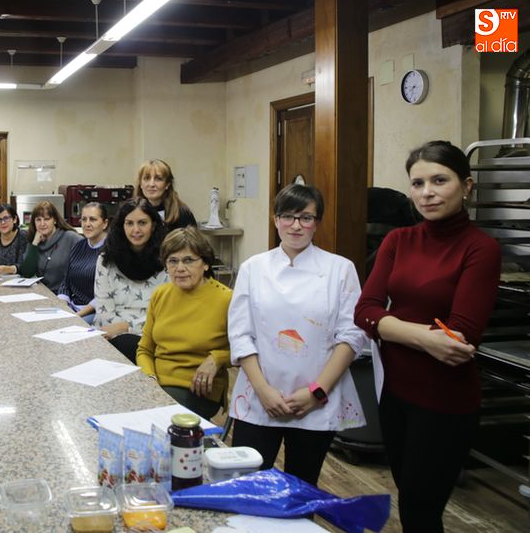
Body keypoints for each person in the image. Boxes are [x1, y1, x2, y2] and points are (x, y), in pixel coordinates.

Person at [354, 141, 500, 532]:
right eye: (417, 183)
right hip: (396, 395)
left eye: (439, 180)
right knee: (409, 498)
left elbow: (459, 338)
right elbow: (364, 311)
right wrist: (424, 335)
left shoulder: (481, 249)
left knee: (422, 509)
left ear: (466, 185)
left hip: (444, 402)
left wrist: (389, 327)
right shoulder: (398, 241)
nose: (427, 192)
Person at [227, 184, 366, 487]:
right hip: (258, 397)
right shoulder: (254, 268)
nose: (296, 225)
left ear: (317, 222)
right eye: (287, 216)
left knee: (302, 489)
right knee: (248, 487)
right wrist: (263, 389)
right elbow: (240, 335)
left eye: (306, 217)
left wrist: (317, 391)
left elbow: (351, 336)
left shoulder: (340, 269)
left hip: (316, 400)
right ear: (275, 219)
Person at [137, 227, 232, 420]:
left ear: (205, 264)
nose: (180, 268)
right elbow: (144, 350)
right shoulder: (161, 295)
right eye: (173, 261)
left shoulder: (226, 299)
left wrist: (218, 358)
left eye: (188, 260)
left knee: (156, 416)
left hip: (198, 388)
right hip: (157, 383)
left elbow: (246, 350)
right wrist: (149, 379)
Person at [93, 198, 169, 363]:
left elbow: (166, 314)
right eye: (129, 223)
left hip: (154, 334)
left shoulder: (168, 261)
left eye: (142, 223)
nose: (136, 230)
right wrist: (118, 330)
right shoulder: (106, 261)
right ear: (122, 226)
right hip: (111, 334)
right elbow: (104, 313)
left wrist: (127, 327)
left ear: (154, 225)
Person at [57, 202, 108, 324]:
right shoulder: (79, 246)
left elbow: (106, 293)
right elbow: (66, 280)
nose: (87, 224)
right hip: (72, 307)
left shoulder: (112, 250)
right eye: (84, 219)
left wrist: (77, 315)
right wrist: (62, 304)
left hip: (96, 311)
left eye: (93, 219)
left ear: (105, 223)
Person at [19, 201, 83, 291]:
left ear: (55, 220)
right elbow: (27, 273)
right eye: (38, 220)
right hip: (41, 293)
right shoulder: (34, 241)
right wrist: (34, 244)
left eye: (46, 219)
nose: (42, 224)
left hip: (65, 295)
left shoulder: (70, 238)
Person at [134, 159, 197, 231]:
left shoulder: (182, 214)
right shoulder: (131, 212)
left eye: (158, 179)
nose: (151, 184)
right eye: (147, 178)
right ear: (140, 184)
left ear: (167, 184)